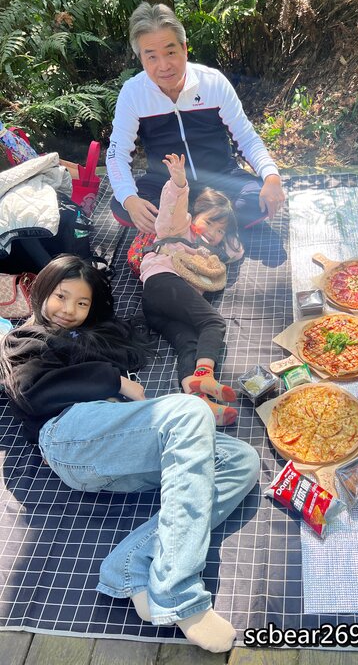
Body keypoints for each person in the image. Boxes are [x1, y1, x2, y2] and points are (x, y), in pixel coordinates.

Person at [0, 254, 259, 653]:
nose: (69, 310)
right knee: (186, 411)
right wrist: (114, 380)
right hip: (67, 436)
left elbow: (173, 334)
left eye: (82, 302)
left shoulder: (92, 338)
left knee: (241, 460)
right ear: (41, 292)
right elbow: (33, 393)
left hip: (111, 450)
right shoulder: (24, 338)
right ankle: (179, 593)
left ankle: (131, 564)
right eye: (60, 296)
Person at [107, 1, 286, 233]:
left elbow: (246, 138)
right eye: (151, 57)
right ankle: (211, 227)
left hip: (220, 176)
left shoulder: (212, 82)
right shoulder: (133, 94)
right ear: (140, 58)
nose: (163, 66)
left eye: (170, 52)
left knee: (257, 200)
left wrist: (272, 177)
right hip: (166, 185)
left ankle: (182, 227)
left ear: (184, 48)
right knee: (122, 206)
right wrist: (129, 198)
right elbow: (116, 153)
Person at [141, 152, 242, 426]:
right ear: (194, 214)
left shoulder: (209, 250)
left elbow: (235, 251)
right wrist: (179, 185)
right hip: (163, 281)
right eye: (209, 222)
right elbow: (171, 209)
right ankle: (205, 375)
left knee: (189, 344)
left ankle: (201, 404)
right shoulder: (178, 228)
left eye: (220, 231)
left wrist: (226, 229)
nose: (213, 233)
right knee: (213, 322)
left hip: (160, 310)